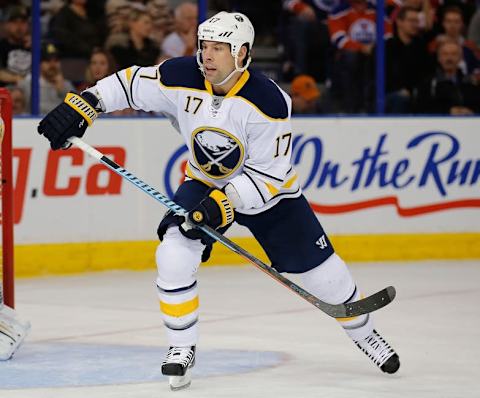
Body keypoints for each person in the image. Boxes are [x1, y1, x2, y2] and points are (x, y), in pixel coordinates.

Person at [36, 11, 400, 391]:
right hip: (204, 180)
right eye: (204, 47)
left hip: (269, 195)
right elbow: (128, 85)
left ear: (242, 53)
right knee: (173, 253)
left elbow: (269, 176)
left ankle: (365, 334)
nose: (207, 56)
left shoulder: (268, 102)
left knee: (325, 275)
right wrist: (86, 104)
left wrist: (223, 202)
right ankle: (181, 349)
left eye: (218, 49)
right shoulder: (180, 75)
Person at [385, 6, 434, 113]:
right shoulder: (386, 47)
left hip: (416, 93)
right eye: (411, 21)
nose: (415, 25)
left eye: (417, 21)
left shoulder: (421, 47)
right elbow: (379, 77)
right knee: (400, 99)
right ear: (399, 22)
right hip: (390, 94)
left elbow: (427, 74)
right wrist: (399, 90)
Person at [415, 39, 480, 114]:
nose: (449, 58)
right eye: (445, 54)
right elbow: (420, 108)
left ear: (460, 58)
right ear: (439, 58)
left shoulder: (470, 82)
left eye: (454, 54)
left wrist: (470, 111)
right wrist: (448, 111)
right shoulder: (428, 83)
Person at [19, 42, 75, 114]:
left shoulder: (67, 85)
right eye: (47, 61)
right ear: (38, 64)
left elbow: (76, 113)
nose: (52, 64)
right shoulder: (28, 84)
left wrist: (62, 90)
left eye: (56, 60)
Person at [0, 5, 31, 87]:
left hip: (38, 89)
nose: (19, 27)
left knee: (68, 89)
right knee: (17, 94)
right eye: (14, 22)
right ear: (5, 25)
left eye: (23, 22)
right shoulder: (2, 46)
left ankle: (67, 100)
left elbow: (50, 70)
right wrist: (23, 80)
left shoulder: (36, 46)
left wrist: (36, 48)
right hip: (9, 90)